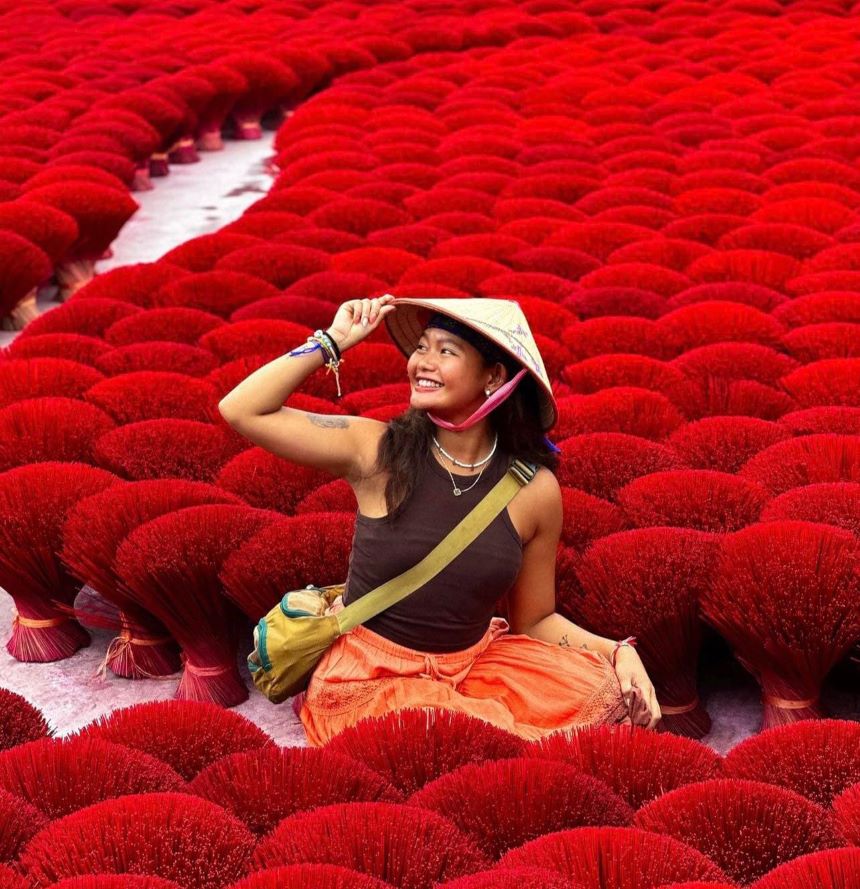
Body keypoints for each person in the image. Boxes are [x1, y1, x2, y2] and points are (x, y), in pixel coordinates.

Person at [218, 294, 661, 744]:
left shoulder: (533, 489)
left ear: (494, 377)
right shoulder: (377, 452)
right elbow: (242, 410)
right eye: (421, 348)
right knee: (457, 736)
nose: (422, 363)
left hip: (472, 668)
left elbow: (535, 620)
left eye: (445, 351)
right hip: (371, 679)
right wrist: (332, 341)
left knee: (607, 694)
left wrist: (619, 653)